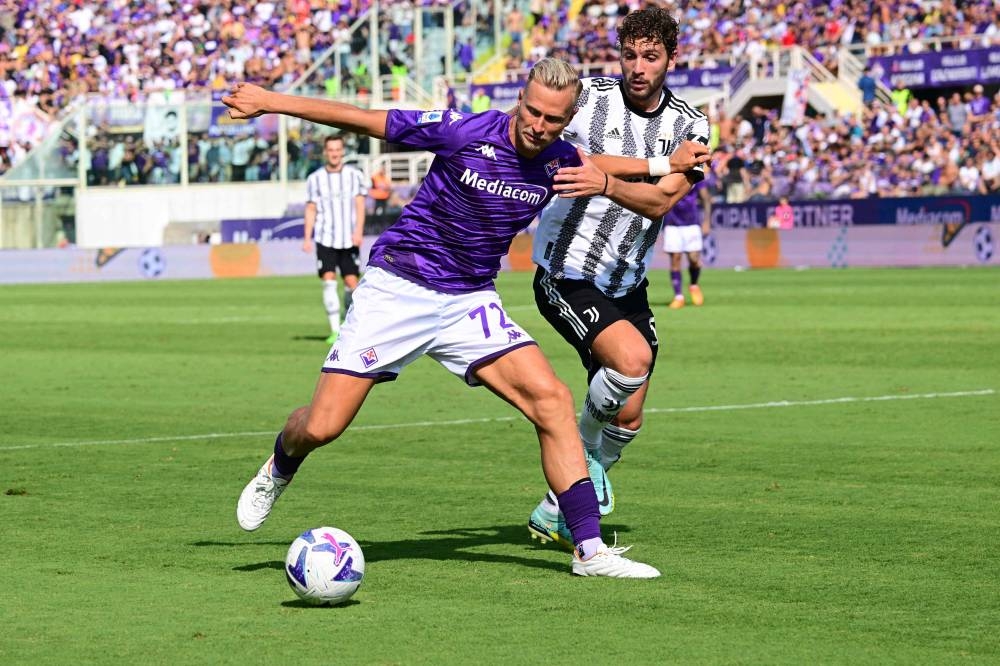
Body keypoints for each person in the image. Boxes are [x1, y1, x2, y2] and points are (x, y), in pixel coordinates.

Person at [223, 58, 661, 578]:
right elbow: (365, 118)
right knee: (321, 427)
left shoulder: (562, 160)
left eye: (553, 121)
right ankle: (280, 465)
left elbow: (602, 163)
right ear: (520, 99)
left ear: (566, 122)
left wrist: (661, 165)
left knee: (553, 400)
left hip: (468, 301)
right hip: (398, 288)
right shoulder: (464, 131)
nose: (539, 127)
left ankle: (589, 551)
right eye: (533, 112)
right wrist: (270, 100)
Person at [526, 7, 711, 549]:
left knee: (628, 416)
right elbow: (568, 152)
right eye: (630, 54)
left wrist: (604, 179)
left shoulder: (692, 126)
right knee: (632, 360)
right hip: (567, 269)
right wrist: (642, 165)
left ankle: (554, 507)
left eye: (650, 57)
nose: (637, 66)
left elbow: (660, 202)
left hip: (628, 280)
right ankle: (581, 474)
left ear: (672, 60)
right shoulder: (588, 99)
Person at [303, 135, 368, 344]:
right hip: (325, 237)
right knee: (328, 282)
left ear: (342, 151)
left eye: (338, 149)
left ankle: (349, 326)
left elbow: (359, 205)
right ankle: (334, 331)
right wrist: (307, 237)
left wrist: (359, 231)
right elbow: (311, 208)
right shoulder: (315, 178)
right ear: (325, 152)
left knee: (351, 283)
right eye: (330, 149)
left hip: (348, 238)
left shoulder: (354, 175)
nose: (334, 153)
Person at [663, 179, 712, 309]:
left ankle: (694, 285)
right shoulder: (669, 174)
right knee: (675, 259)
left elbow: (706, 198)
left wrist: (707, 221)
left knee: (694, 259)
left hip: (692, 223)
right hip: (672, 224)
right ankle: (678, 297)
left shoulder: (696, 175)